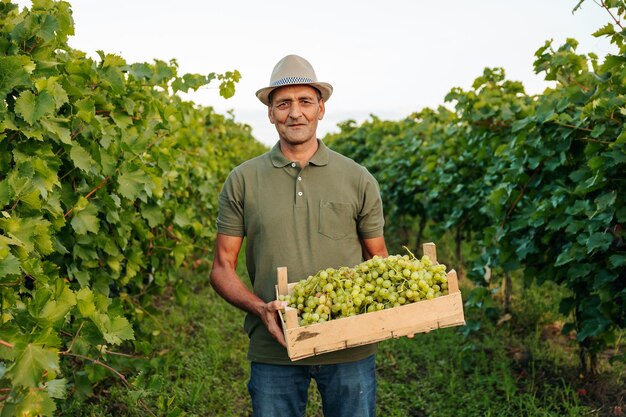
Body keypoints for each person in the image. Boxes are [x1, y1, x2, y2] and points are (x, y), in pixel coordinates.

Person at [209, 54, 388, 417]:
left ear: (321, 108)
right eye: (283, 104)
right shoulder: (243, 179)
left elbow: (378, 260)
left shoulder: (357, 178)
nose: (295, 113)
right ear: (270, 113)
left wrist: (396, 311)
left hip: (349, 347)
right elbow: (221, 268)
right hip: (275, 348)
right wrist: (261, 309)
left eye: (305, 101)